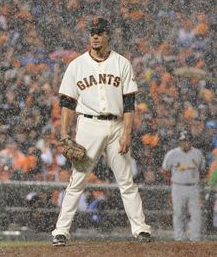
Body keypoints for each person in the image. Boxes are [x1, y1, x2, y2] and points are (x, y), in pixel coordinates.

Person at [51, 17, 151, 246]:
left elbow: (129, 104)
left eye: (100, 32)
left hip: (117, 126)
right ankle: (60, 231)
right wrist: (65, 133)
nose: (95, 36)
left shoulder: (122, 63)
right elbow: (67, 102)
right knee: (77, 180)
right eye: (92, 32)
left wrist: (127, 133)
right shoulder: (76, 65)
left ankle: (141, 229)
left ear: (108, 35)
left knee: (126, 180)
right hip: (88, 125)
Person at [162, 129, 206, 241]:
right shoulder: (172, 154)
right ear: (179, 142)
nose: (185, 143)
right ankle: (179, 238)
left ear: (191, 141)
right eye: (182, 141)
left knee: (196, 213)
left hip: (193, 186)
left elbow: (202, 170)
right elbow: (165, 170)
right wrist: (170, 183)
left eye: (187, 140)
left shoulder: (197, 153)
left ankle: (195, 238)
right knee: (178, 212)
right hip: (178, 186)